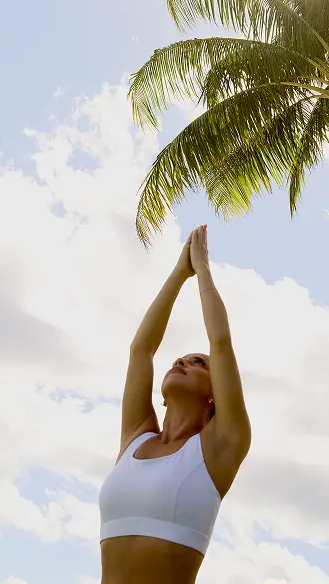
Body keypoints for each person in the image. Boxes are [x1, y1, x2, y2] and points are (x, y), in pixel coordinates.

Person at [99, 225, 251, 584]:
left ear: (215, 394)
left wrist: (202, 273)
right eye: (178, 359)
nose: (181, 362)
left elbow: (221, 342)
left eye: (198, 362)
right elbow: (141, 350)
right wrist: (178, 273)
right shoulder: (135, 439)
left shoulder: (222, 446)